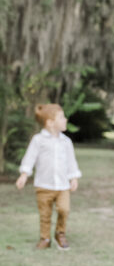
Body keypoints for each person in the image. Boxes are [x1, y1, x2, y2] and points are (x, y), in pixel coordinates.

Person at [16, 103, 81, 250]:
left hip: (62, 186)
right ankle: (45, 238)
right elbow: (30, 158)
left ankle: (60, 234)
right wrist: (24, 175)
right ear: (50, 123)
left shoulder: (66, 142)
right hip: (43, 185)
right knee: (45, 214)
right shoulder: (38, 140)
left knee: (64, 209)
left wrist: (74, 177)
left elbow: (71, 161)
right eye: (61, 117)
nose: (65, 120)